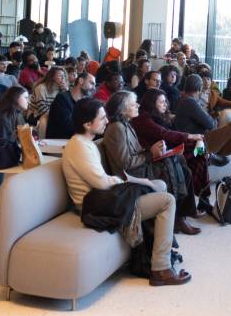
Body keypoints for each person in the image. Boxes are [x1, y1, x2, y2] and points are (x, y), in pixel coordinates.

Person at [61, 98, 191, 286]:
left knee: (159, 186)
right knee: (167, 201)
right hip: (95, 206)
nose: (107, 121)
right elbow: (101, 183)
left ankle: (154, 253)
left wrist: (131, 181)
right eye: (102, 118)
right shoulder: (79, 147)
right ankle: (161, 269)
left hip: (105, 200)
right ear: (87, 124)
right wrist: (124, 181)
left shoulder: (85, 143)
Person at [103, 91, 201, 235]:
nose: (138, 105)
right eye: (133, 104)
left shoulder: (126, 124)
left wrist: (152, 150)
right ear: (122, 109)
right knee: (175, 165)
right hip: (131, 175)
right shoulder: (117, 128)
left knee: (181, 165)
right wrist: (151, 154)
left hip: (139, 167)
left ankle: (181, 215)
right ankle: (179, 218)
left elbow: (136, 151)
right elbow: (125, 163)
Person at [46, 72, 94, 139]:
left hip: (77, 140)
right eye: (91, 83)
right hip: (59, 141)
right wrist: (91, 128)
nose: (93, 88)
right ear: (81, 81)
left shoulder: (85, 102)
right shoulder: (62, 98)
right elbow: (67, 127)